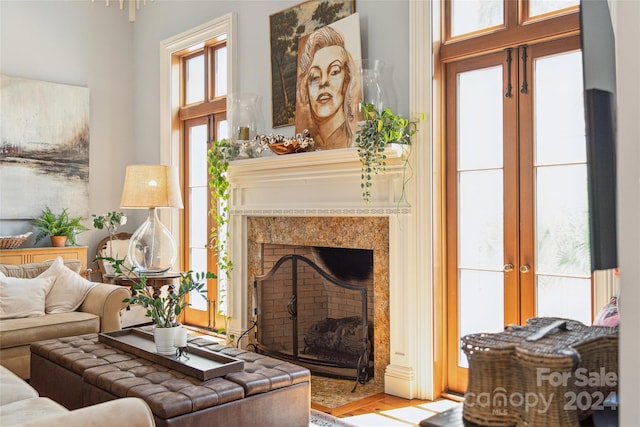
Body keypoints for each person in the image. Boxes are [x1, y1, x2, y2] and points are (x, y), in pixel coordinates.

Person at [296, 26, 361, 150]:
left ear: (347, 79)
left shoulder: (352, 140)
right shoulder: (310, 144)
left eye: (334, 72)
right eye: (315, 77)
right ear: (306, 89)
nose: (323, 82)